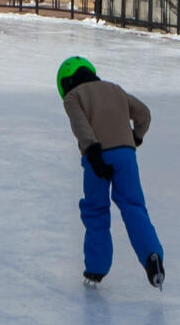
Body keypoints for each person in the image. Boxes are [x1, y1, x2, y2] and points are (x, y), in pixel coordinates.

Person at [57, 55, 164, 288]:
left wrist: (94, 153)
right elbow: (144, 114)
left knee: (96, 210)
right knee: (134, 206)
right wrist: (135, 137)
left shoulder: (73, 97)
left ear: (64, 84)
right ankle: (152, 257)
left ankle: (96, 270)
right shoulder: (115, 90)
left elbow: (80, 126)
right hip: (126, 155)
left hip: (96, 156)